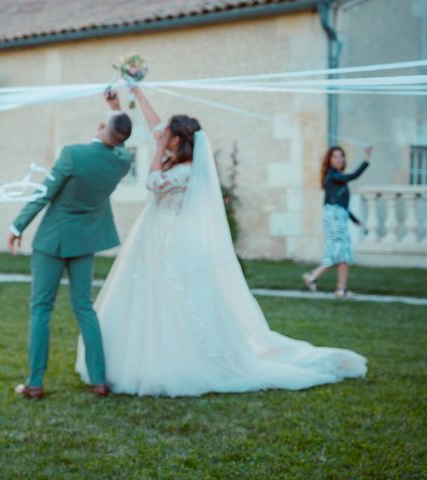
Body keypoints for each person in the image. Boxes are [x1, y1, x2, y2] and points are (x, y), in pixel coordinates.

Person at [75, 88, 367, 397]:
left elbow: (152, 183)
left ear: (176, 141)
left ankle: (175, 362)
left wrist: (158, 148)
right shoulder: (175, 158)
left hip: (170, 242)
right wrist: (136, 94)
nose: (161, 137)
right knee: (145, 297)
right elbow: (155, 126)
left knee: (170, 300)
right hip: (153, 238)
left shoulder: (185, 171)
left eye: (167, 136)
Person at [9, 92, 133, 399]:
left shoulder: (73, 154)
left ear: (102, 126)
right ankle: (99, 380)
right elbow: (122, 144)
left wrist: (17, 225)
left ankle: (35, 383)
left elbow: (44, 193)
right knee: (84, 308)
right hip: (85, 242)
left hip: (53, 240)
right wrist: (117, 111)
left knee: (41, 309)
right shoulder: (121, 163)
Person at [303, 145, 372, 297]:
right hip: (334, 217)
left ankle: (338, 288)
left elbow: (342, 204)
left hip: (339, 215)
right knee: (339, 253)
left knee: (343, 254)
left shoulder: (337, 177)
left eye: (341, 156)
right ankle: (315, 277)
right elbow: (352, 176)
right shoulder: (332, 175)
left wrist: (354, 219)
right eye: (335, 156)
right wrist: (366, 160)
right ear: (329, 160)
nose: (339, 159)